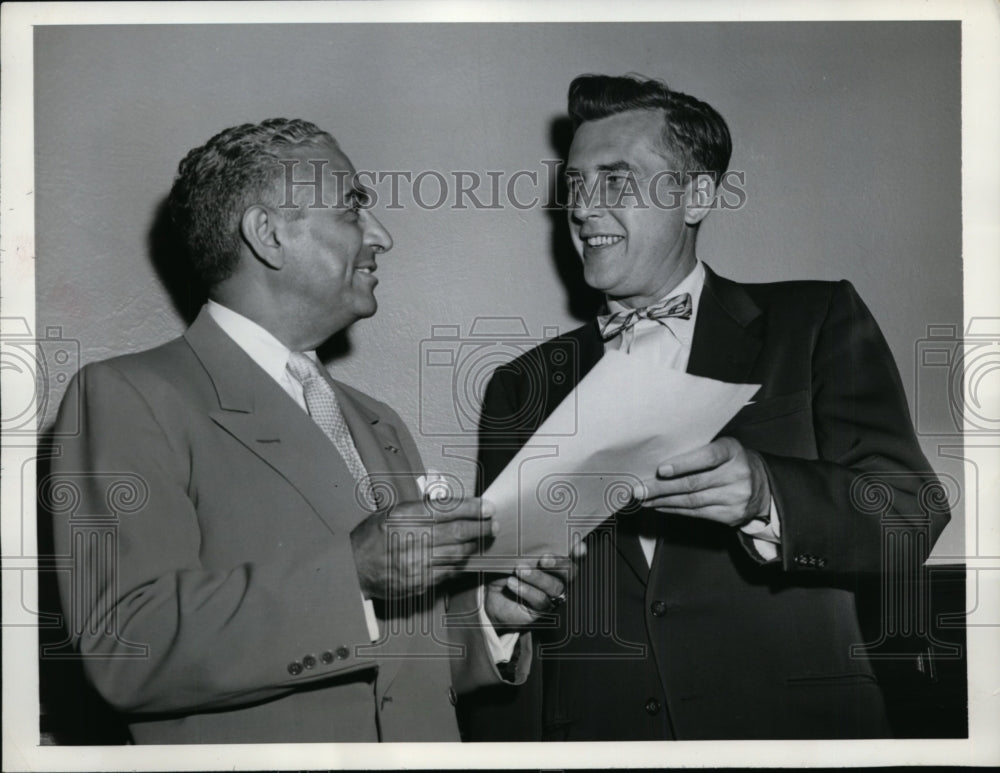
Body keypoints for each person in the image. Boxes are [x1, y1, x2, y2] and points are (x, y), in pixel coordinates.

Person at [46, 118, 577, 743]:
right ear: (268, 235)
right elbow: (127, 648)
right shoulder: (129, 395)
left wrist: (487, 618)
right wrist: (352, 573)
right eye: (352, 207)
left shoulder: (378, 420)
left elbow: (393, 673)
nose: (381, 236)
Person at [459, 75, 950, 741]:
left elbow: (912, 512)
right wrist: (498, 620)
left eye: (615, 180)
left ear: (697, 196)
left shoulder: (813, 321)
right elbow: (503, 607)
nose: (582, 208)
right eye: (576, 184)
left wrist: (769, 494)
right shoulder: (521, 386)